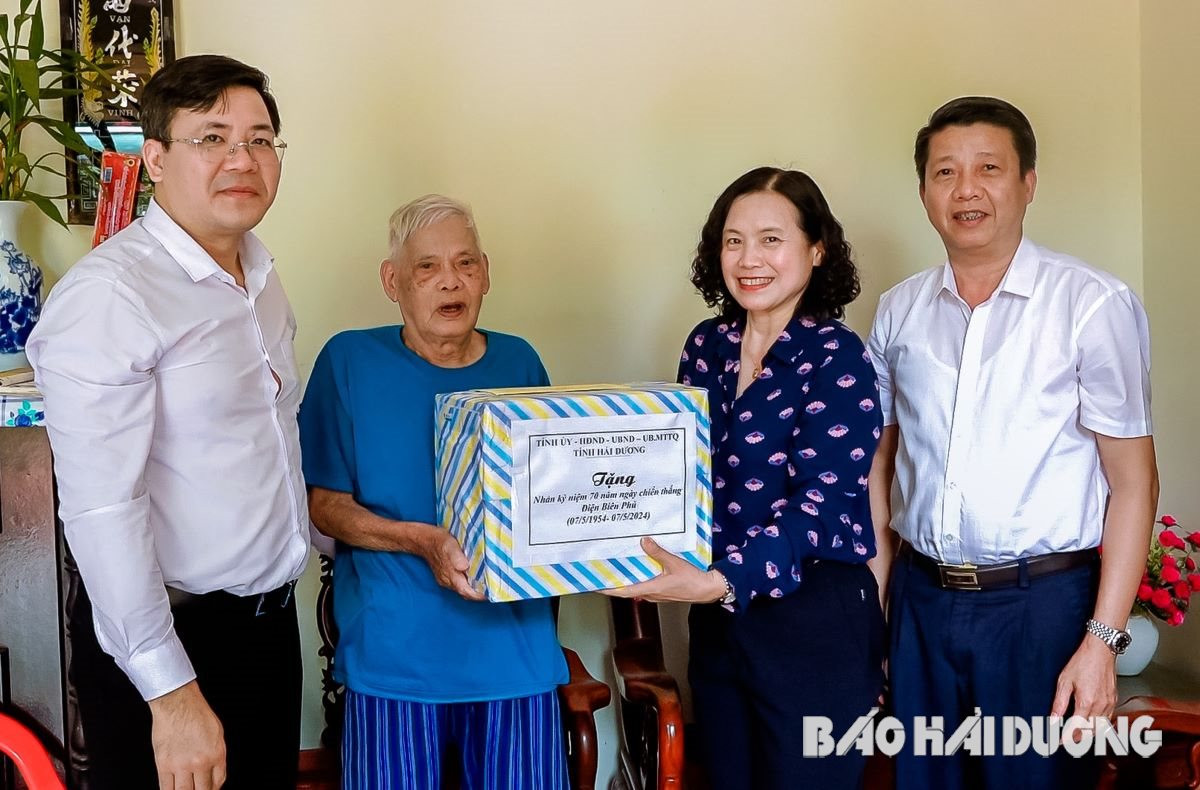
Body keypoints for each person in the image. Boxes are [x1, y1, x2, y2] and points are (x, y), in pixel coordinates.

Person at [26, 55, 308, 789]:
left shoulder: (261, 276)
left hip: (268, 628)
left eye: (259, 138)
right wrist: (172, 693)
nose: (241, 159)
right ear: (153, 157)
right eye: (211, 138)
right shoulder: (111, 297)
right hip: (171, 650)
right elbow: (101, 511)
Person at [868, 96, 1159, 790]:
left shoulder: (1090, 303)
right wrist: (881, 609)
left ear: (1027, 182)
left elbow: (1133, 484)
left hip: (1043, 610)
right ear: (923, 192)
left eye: (988, 168)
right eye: (945, 172)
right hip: (921, 600)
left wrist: (1102, 641)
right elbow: (877, 469)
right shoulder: (898, 310)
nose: (966, 189)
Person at [606, 167, 885, 789]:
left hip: (814, 622)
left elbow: (820, 503)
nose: (749, 258)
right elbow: (672, 474)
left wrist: (719, 581)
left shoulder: (837, 357)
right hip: (719, 624)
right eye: (733, 240)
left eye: (770, 239)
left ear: (816, 250)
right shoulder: (707, 346)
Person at [299, 194, 569, 789]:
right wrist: (420, 541)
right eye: (427, 267)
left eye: (466, 263)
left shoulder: (520, 361)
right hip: (395, 660)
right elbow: (325, 507)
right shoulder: (348, 361)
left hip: (515, 658)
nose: (451, 281)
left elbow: (553, 500)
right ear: (392, 281)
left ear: (487, 273)